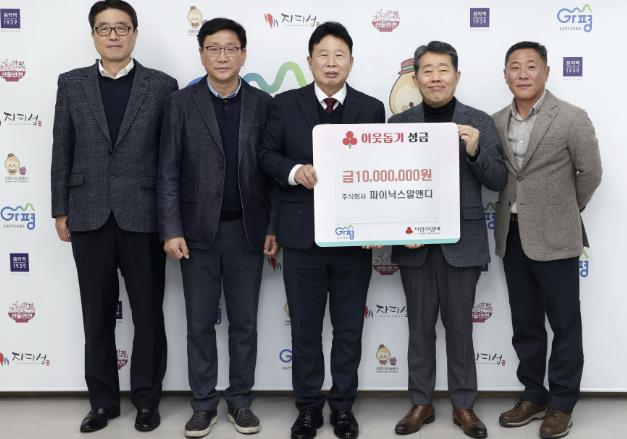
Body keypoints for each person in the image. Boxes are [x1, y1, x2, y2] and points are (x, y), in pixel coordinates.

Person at [50, 0, 177, 433]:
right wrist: (60, 208)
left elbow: (169, 157)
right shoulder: (71, 84)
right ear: (93, 35)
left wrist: (170, 216)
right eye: (104, 28)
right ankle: (102, 403)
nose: (114, 35)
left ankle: (147, 401)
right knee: (96, 315)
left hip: (144, 215)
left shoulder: (162, 85)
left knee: (148, 314)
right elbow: (61, 148)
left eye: (122, 27)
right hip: (88, 214)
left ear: (135, 33)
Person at [259, 21, 385, 439]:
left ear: (351, 61)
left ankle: (343, 408)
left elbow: (380, 171)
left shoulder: (371, 109)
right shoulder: (284, 104)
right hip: (301, 238)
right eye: (323, 55)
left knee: (349, 330)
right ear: (310, 60)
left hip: (354, 242)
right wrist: (295, 170)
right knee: (306, 331)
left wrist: (376, 223)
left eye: (339, 55)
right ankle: (309, 408)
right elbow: (266, 156)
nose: (331, 63)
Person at [157, 17, 278, 438]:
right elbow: (168, 170)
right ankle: (203, 404)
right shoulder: (180, 104)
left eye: (230, 49)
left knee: (245, 323)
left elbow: (272, 173)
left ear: (244, 54)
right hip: (196, 234)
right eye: (213, 48)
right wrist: (171, 229)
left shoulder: (264, 104)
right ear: (201, 54)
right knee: (199, 324)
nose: (222, 56)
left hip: (248, 232)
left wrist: (273, 226)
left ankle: (241, 402)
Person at [389, 41, 507, 439]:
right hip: (414, 247)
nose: (435, 77)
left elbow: (498, 180)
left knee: (460, 329)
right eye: (427, 70)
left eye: (443, 69)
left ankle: (464, 405)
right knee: (419, 329)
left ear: (457, 75)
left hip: (463, 243)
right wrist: (397, 231)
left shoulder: (479, 122)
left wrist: (474, 151)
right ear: (416, 77)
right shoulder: (398, 125)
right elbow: (387, 187)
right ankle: (420, 403)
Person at [493, 41, 602, 439]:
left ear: (546, 71)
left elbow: (591, 173)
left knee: (564, 322)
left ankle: (562, 404)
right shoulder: (495, 121)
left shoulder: (571, 117)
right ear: (505, 74)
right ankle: (533, 395)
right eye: (515, 66)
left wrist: (564, 209)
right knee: (525, 323)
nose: (523, 74)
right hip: (512, 234)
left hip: (557, 235)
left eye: (531, 66)